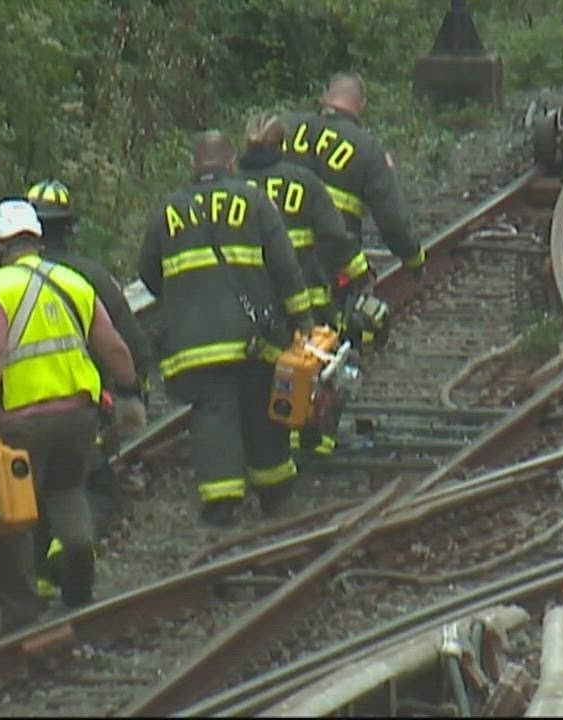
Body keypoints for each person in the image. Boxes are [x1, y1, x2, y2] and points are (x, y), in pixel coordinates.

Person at [0, 179, 151, 600]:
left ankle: (20, 610)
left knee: (11, 514)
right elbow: (115, 346)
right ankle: (79, 569)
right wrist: (129, 395)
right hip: (77, 418)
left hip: (21, 424)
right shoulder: (74, 282)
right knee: (69, 490)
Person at [137, 130, 313, 526]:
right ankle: (274, 490)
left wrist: (181, 298)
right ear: (231, 163)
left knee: (212, 413)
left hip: (194, 344)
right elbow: (285, 267)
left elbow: (148, 272)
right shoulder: (254, 200)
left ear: (194, 165)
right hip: (252, 340)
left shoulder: (169, 209)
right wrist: (302, 319)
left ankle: (222, 501)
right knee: (260, 407)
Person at [238, 112, 358, 457]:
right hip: (305, 295)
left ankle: (275, 436)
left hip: (253, 302)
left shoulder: (233, 187)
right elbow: (335, 237)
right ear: (284, 145)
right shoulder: (303, 181)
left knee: (264, 372)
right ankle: (317, 438)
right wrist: (360, 275)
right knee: (321, 367)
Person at [281, 70, 426, 297]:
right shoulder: (366, 147)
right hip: (333, 261)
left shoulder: (286, 129)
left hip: (278, 254)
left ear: (325, 96)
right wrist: (413, 257)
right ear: (362, 105)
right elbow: (391, 218)